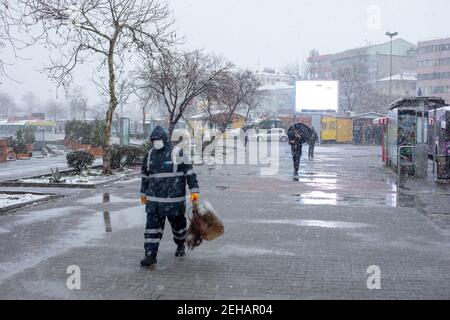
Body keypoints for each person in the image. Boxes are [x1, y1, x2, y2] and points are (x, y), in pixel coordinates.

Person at [139, 126, 200, 267]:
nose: (156, 142)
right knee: (151, 230)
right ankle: (150, 256)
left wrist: (194, 191)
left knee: (179, 230)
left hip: (174, 202)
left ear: (164, 139)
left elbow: (190, 173)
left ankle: (180, 245)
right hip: (154, 204)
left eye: (158, 139)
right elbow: (144, 177)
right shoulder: (149, 156)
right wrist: (143, 193)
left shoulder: (178, 153)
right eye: (153, 140)